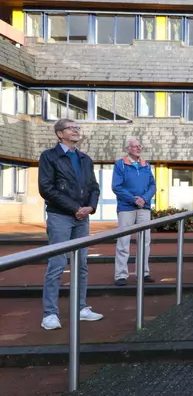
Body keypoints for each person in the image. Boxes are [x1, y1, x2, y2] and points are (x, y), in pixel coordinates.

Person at [38, 119, 104, 330]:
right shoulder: (49, 156)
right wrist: (74, 207)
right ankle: (49, 314)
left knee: (81, 264)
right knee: (57, 264)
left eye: (77, 128)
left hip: (82, 217)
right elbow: (46, 188)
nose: (76, 130)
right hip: (60, 216)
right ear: (60, 134)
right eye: (71, 127)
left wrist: (90, 208)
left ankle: (80, 308)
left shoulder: (85, 159)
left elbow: (94, 187)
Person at [111, 137, 157, 286]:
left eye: (139, 146)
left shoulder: (146, 165)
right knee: (123, 242)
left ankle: (143, 273)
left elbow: (153, 185)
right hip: (126, 208)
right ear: (127, 149)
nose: (139, 148)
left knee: (145, 241)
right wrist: (133, 199)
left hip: (144, 207)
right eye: (135, 146)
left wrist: (143, 198)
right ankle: (120, 275)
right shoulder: (120, 164)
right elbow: (116, 187)